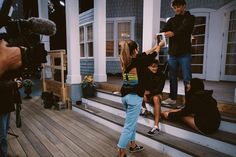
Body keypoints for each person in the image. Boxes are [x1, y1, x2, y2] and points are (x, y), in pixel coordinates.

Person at [117, 40, 164, 157]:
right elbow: (153, 55)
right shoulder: (139, 62)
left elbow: (144, 54)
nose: (138, 51)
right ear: (134, 51)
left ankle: (133, 146)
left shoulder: (126, 60)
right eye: (137, 49)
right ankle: (121, 152)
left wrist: (153, 47)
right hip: (134, 98)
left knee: (131, 124)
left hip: (125, 96)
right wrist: (159, 46)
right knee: (128, 126)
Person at [161, 0, 195, 108]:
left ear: (184, 6)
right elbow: (164, 30)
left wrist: (173, 33)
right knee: (172, 77)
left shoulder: (190, 18)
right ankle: (173, 98)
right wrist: (160, 34)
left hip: (185, 53)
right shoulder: (171, 20)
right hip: (173, 54)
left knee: (187, 78)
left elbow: (185, 29)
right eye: (175, 7)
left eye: (179, 6)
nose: (177, 9)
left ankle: (189, 102)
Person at [141, 59, 166, 136]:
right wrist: (143, 94)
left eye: (157, 66)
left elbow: (159, 89)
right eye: (153, 67)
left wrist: (148, 93)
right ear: (148, 67)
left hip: (157, 94)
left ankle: (156, 126)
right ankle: (144, 108)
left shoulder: (162, 75)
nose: (155, 68)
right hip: (148, 94)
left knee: (156, 98)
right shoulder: (145, 74)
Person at [0, 77, 21, 157]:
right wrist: (14, 83)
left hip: (7, 105)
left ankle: (3, 153)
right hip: (1, 107)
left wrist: (18, 82)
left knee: (5, 131)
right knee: (2, 135)